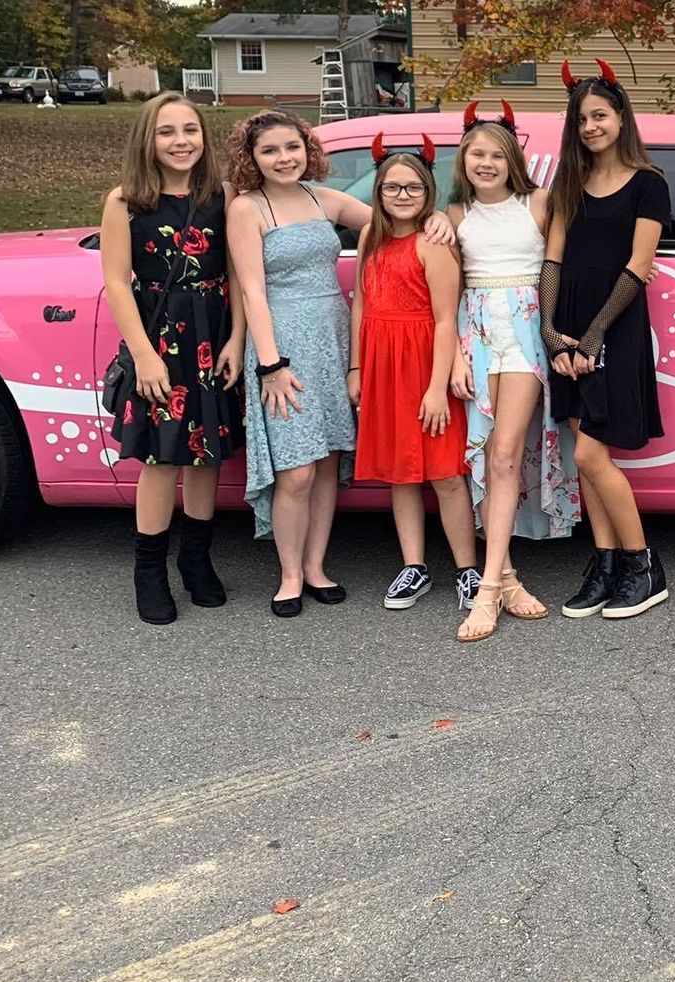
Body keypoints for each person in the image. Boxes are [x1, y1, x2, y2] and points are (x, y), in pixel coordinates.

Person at [226, 109, 454, 617]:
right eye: (270, 150)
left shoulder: (322, 198)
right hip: (282, 345)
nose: (284, 158)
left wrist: (439, 217)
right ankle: (287, 576)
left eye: (292, 147)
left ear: (308, 149)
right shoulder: (247, 208)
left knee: (327, 461)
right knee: (296, 472)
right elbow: (252, 291)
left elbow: (393, 217)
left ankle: (315, 568)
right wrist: (270, 365)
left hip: (333, 338)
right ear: (253, 158)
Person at [99, 92, 245, 625]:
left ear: (203, 137)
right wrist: (144, 356)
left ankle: (196, 559)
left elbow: (238, 275)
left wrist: (237, 342)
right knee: (162, 459)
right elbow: (116, 281)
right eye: (167, 132)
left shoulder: (222, 196)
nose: (180, 141)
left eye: (189, 130)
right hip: (159, 340)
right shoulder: (126, 201)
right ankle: (149, 570)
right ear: (148, 140)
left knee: (206, 455)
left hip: (214, 334)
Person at [543, 61, 671, 620]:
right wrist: (551, 332)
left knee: (594, 450)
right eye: (581, 119)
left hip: (612, 323)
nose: (590, 126)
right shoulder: (568, 183)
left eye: (600, 115)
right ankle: (605, 564)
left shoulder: (650, 183)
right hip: (567, 323)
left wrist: (592, 337)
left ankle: (645, 566)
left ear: (621, 117)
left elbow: (639, 266)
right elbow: (552, 258)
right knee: (581, 449)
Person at [448, 100, 578, 641]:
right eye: (477, 153)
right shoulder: (453, 216)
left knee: (503, 454)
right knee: (483, 458)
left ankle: (486, 593)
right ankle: (506, 579)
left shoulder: (540, 203)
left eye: (497, 154)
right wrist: (455, 353)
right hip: (476, 332)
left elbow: (564, 263)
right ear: (463, 158)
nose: (486, 162)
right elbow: (450, 288)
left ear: (513, 159)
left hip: (525, 331)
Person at [350, 138, 485, 622]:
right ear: (379, 190)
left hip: (424, 364)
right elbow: (362, 306)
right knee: (399, 473)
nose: (402, 194)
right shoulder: (370, 237)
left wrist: (435, 387)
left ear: (427, 190)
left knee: (445, 472)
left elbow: (446, 319)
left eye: (412, 187)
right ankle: (414, 565)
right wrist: (356, 367)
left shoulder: (434, 242)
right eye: (392, 186)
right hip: (382, 365)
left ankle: (467, 569)